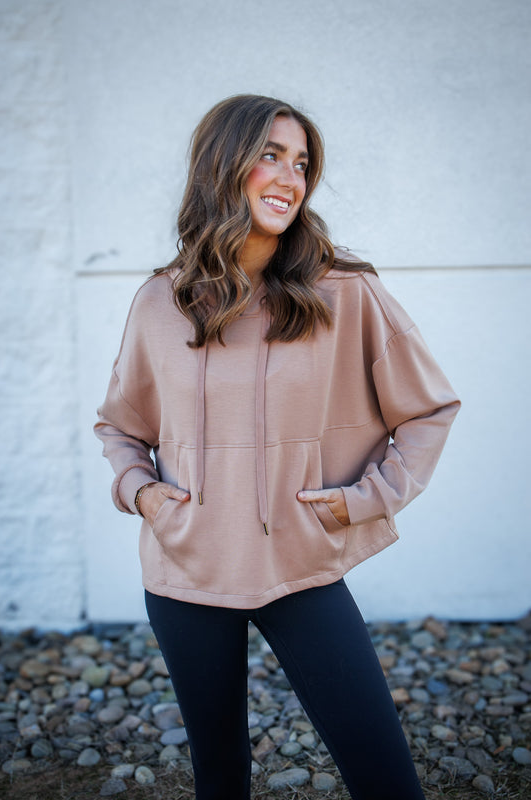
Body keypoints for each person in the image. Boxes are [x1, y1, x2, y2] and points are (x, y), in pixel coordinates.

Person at [94, 94, 460, 800]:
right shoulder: (157, 301)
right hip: (185, 572)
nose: (290, 177)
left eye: (300, 162)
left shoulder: (345, 291)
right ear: (221, 166)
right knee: (220, 779)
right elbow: (119, 426)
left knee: (386, 779)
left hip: (301, 567)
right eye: (270, 155)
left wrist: (366, 500)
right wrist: (139, 491)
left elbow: (430, 409)